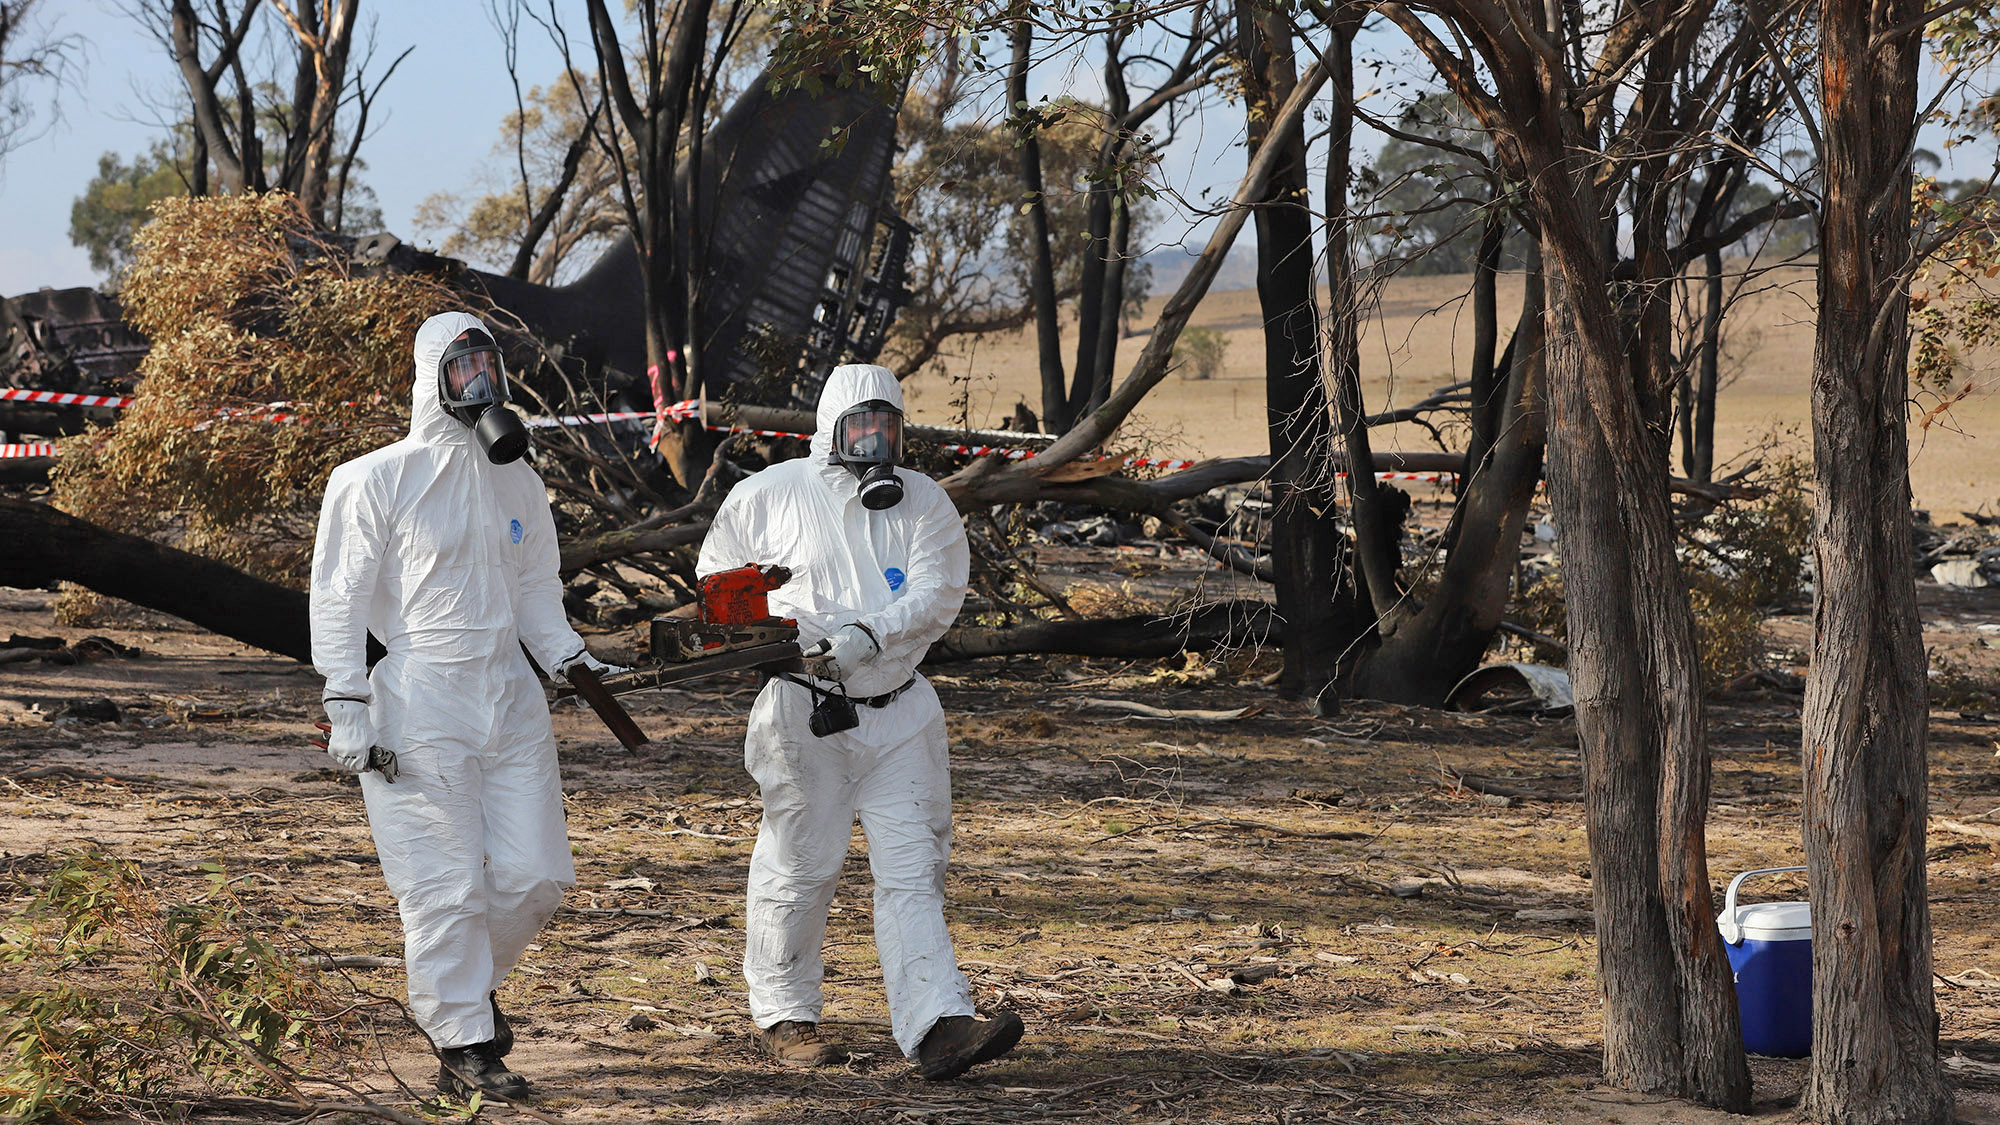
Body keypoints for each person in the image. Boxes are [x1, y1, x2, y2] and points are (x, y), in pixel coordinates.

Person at [310, 311, 623, 1099]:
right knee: (442, 883)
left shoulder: (518, 478)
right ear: (430, 379)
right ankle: (464, 1045)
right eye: (461, 368)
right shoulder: (376, 478)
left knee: (538, 874)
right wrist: (347, 701)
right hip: (419, 697)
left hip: (511, 694)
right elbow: (339, 597)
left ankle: (466, 992)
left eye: (488, 365)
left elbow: (535, 596)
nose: (478, 381)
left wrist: (572, 659)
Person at [696, 362, 1023, 1081]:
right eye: (860, 425)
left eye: (886, 425)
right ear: (830, 429)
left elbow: (939, 592)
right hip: (802, 712)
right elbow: (719, 588)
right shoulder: (770, 495)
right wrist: (791, 622)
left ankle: (937, 1022)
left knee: (914, 869)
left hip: (900, 712)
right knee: (803, 861)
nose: (874, 439)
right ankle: (787, 1013)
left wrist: (870, 633)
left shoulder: (925, 504)